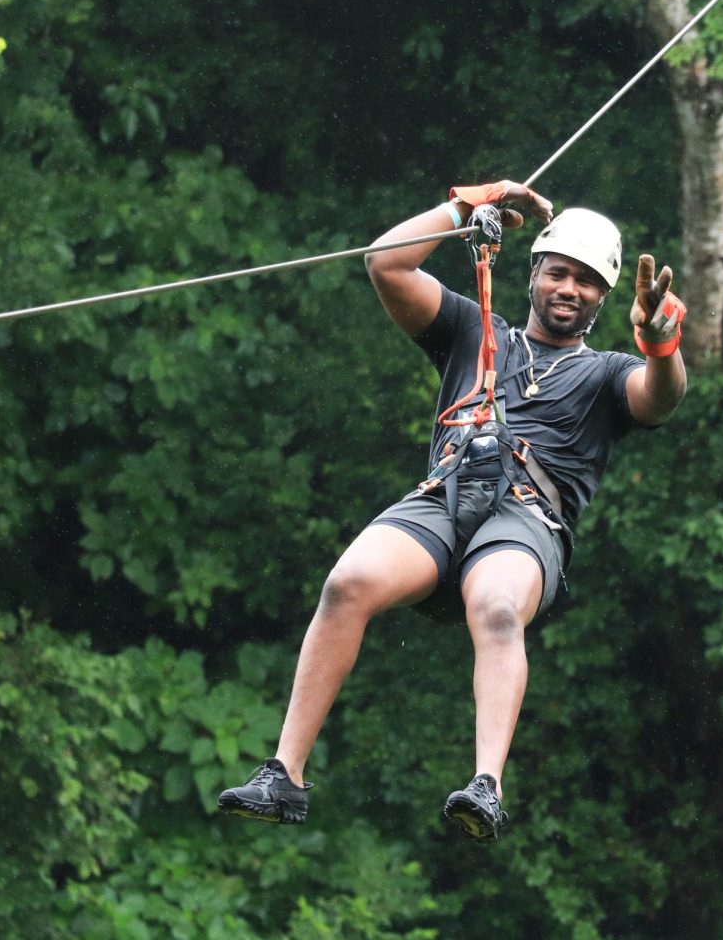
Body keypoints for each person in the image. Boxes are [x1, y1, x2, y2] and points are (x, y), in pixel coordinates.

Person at [217, 179, 688, 842]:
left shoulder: (608, 374)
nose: (568, 290)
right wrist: (464, 208)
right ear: (534, 274)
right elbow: (385, 261)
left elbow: (659, 399)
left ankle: (485, 786)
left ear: (603, 299)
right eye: (558, 273)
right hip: (443, 497)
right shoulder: (473, 329)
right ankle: (283, 776)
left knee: (496, 606)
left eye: (585, 283)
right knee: (347, 582)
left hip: (525, 521)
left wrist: (661, 346)